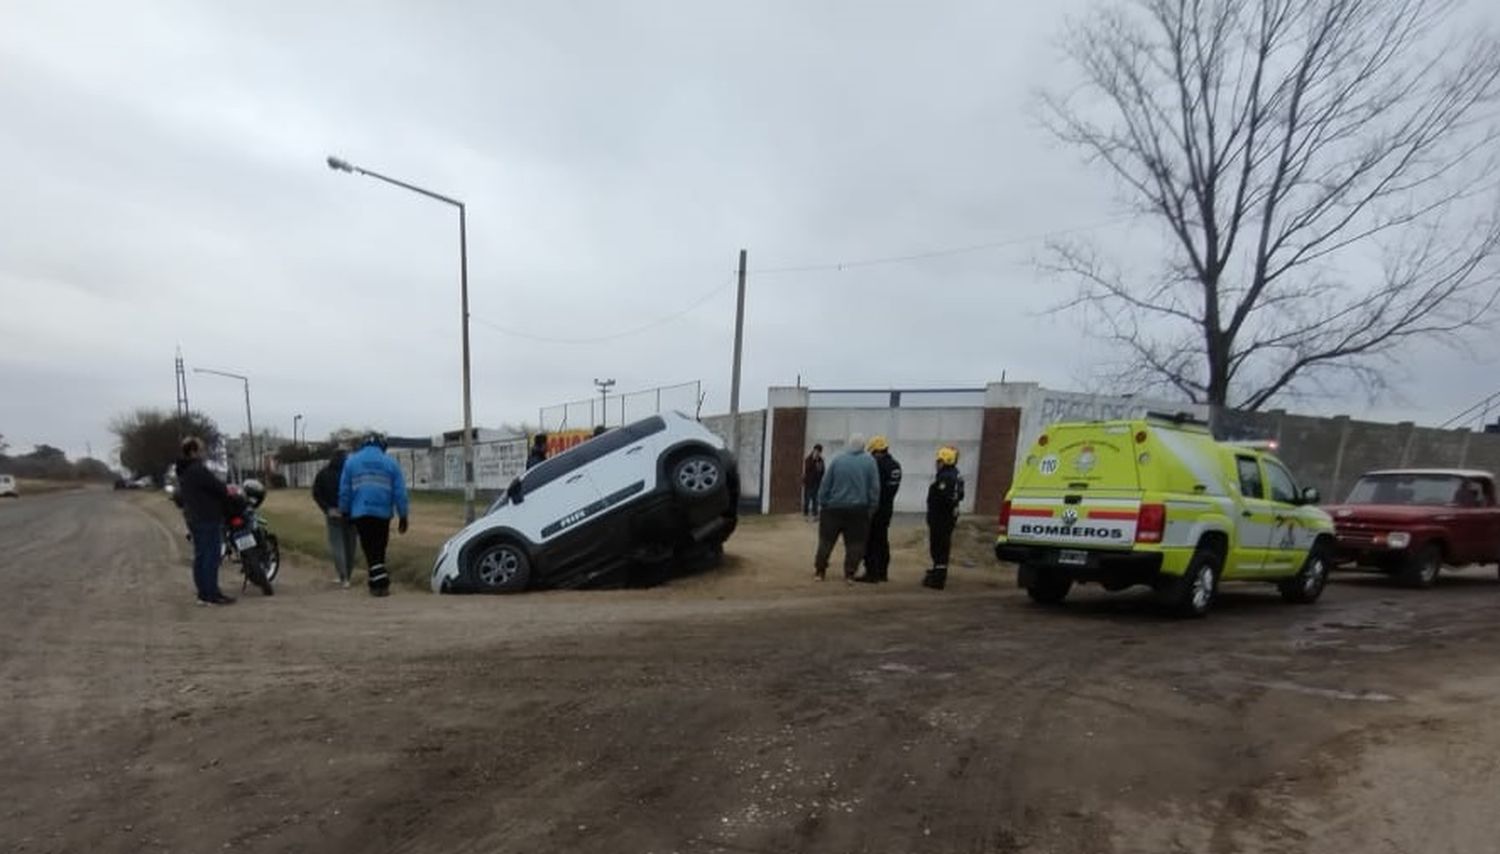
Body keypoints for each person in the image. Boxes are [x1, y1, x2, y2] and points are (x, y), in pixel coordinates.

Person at [338, 433, 410, 597]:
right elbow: (400, 492)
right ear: (382, 446)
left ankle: (377, 582)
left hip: (360, 511)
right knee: (379, 547)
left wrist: (344, 510)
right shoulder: (391, 463)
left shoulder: (351, 462)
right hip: (382, 513)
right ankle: (380, 583)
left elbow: (345, 490)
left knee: (369, 548)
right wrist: (403, 515)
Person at [174, 436, 236, 606]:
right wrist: (227, 490)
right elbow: (217, 487)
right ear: (193, 451)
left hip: (193, 516)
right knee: (211, 556)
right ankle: (211, 594)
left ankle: (203, 594)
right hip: (206, 517)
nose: (203, 452)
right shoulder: (197, 470)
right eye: (200, 449)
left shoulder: (184, 470)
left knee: (201, 555)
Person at [813, 435, 880, 582]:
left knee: (826, 541)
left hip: (833, 509)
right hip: (858, 510)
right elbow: (874, 488)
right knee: (855, 544)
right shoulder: (870, 462)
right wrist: (872, 508)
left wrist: (823, 502)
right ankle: (850, 573)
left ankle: (820, 571)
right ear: (863, 447)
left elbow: (825, 483)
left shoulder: (838, 460)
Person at [857, 436, 902, 583]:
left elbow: (873, 488)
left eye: (872, 453)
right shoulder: (896, 465)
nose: (871, 456)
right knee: (882, 540)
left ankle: (871, 573)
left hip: (876, 508)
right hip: (888, 508)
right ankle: (882, 572)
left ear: (877, 451)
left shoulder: (878, 465)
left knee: (871, 541)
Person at [313, 449, 358, 588]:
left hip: (332, 512)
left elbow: (316, 493)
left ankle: (342, 576)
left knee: (337, 545)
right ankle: (348, 576)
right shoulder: (351, 473)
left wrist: (326, 508)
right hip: (350, 513)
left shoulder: (322, 474)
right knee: (350, 545)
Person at [923, 446, 965, 590]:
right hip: (945, 518)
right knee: (941, 545)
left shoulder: (946, 478)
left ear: (945, 461)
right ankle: (937, 570)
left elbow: (945, 499)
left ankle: (938, 577)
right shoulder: (955, 475)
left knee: (939, 546)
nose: (937, 464)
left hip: (941, 518)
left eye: (939, 461)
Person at [802, 444, 825, 519]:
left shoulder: (821, 460)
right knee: (807, 498)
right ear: (814, 450)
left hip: (816, 482)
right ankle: (805, 512)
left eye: (819, 451)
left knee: (815, 499)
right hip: (808, 482)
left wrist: (820, 477)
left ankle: (815, 513)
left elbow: (822, 471)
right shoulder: (808, 459)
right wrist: (814, 461)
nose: (817, 453)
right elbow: (807, 468)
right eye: (816, 451)